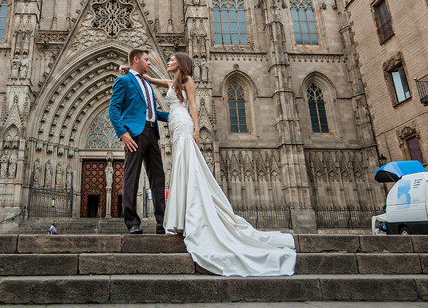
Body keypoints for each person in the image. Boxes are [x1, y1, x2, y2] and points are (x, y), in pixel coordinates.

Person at [120, 52, 296, 277]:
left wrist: (196, 130)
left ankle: (179, 218)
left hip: (182, 126)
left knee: (184, 170)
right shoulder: (171, 82)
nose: (167, 62)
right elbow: (148, 80)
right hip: (169, 126)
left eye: (172, 60)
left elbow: (193, 105)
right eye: (149, 60)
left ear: (180, 64)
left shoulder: (187, 80)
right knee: (180, 171)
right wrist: (128, 71)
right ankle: (173, 218)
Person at [109, 48, 170, 234]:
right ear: (136, 59)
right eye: (146, 59)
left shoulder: (147, 84)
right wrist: (123, 134)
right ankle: (132, 222)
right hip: (134, 133)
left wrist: (175, 115)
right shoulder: (123, 80)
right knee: (131, 176)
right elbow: (113, 109)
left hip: (152, 132)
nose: (149, 62)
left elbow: (152, 112)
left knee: (158, 178)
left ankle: (162, 222)